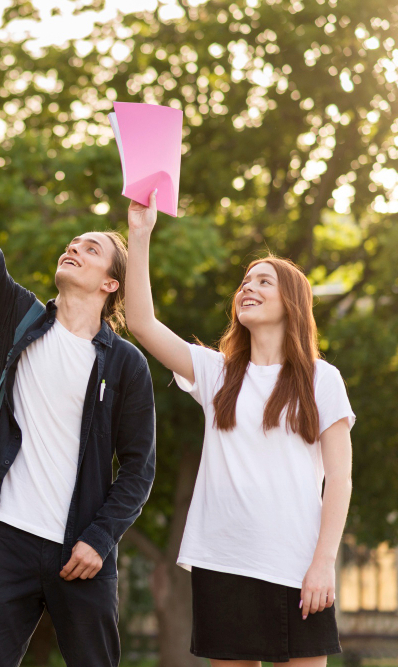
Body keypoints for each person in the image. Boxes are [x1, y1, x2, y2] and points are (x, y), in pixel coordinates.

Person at [0, 78, 156, 667]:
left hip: (80, 550)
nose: (74, 249)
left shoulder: (125, 364)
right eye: (72, 243)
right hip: (5, 540)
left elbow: (140, 466)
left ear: (111, 282)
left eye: (91, 249)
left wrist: (100, 537)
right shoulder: (21, 322)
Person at [125, 191, 355, 666]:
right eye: (245, 281)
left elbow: (341, 480)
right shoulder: (217, 372)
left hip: (297, 564)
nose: (247, 287)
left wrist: (322, 563)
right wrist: (140, 234)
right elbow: (142, 324)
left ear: (291, 301)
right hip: (224, 560)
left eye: (263, 281)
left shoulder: (321, 378)